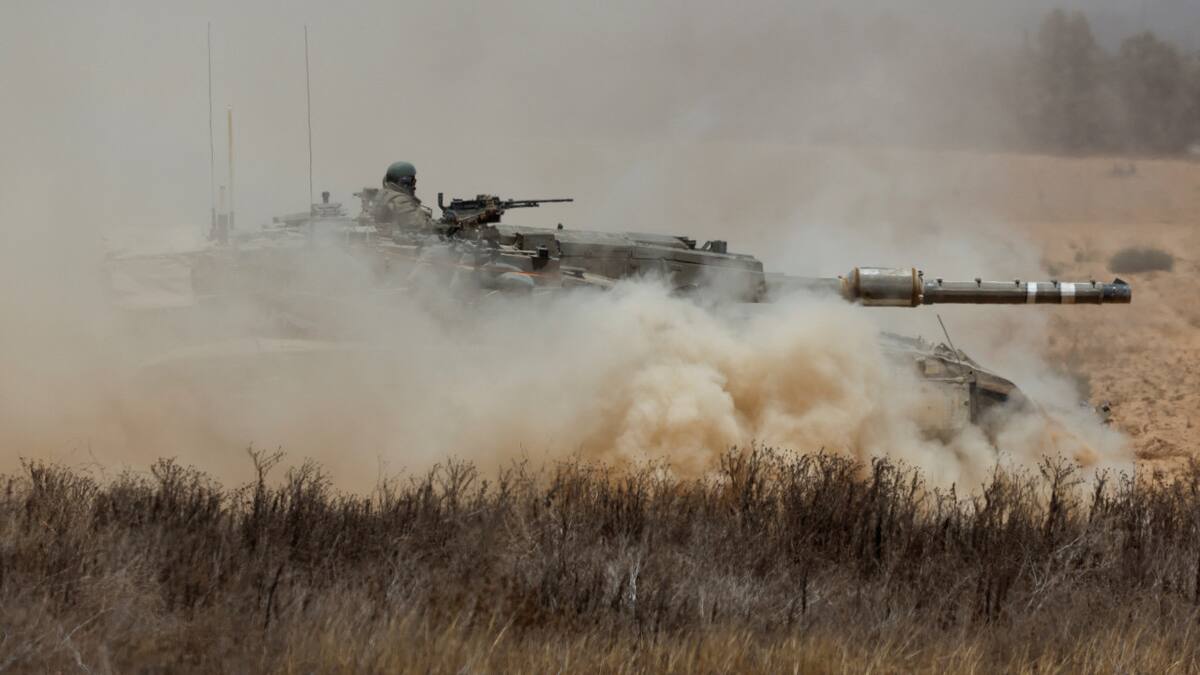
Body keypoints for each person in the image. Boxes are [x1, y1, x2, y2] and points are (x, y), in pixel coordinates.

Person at [371, 161, 437, 237]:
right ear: (404, 181)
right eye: (412, 179)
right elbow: (419, 225)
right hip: (400, 239)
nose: (414, 183)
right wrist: (442, 226)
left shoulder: (385, 193)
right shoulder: (400, 199)